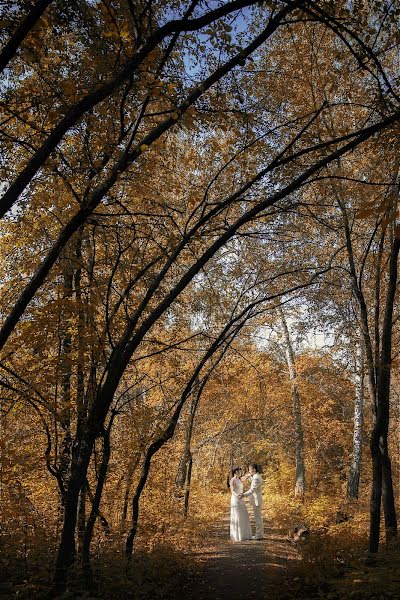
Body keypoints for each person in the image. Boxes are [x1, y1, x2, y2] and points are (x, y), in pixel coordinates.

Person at [240, 463, 264, 540]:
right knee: (258, 518)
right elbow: (251, 480)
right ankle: (259, 534)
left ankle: (258, 535)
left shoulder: (256, 478)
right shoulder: (255, 476)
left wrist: (244, 494)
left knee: (258, 519)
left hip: (257, 500)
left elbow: (252, 490)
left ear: (254, 469)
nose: (249, 471)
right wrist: (248, 476)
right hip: (257, 499)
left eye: (250, 469)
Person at [228, 467, 252, 542]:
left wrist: (251, 471)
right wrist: (237, 495)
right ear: (235, 472)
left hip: (241, 498)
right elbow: (232, 490)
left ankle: (244, 534)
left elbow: (247, 476)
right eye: (238, 471)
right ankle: (237, 536)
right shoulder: (232, 480)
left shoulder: (240, 479)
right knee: (237, 515)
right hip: (235, 498)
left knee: (243, 515)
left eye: (240, 472)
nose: (240, 473)